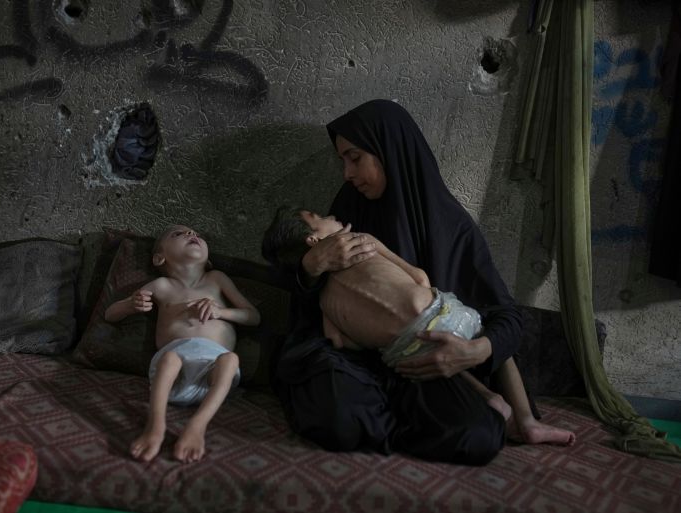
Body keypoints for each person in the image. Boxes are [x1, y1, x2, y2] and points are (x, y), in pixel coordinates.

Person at [267, 99, 568, 466]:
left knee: (478, 434)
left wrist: (478, 351)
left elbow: (504, 314)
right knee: (339, 415)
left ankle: (389, 426)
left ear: (389, 151)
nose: (346, 173)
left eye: (355, 158)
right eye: (343, 161)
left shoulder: (452, 227)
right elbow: (305, 290)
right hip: (359, 359)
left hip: (423, 362)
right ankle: (390, 425)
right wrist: (310, 267)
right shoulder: (348, 209)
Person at [263, 206, 576, 444]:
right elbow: (420, 277)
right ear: (314, 240)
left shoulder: (323, 301)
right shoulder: (365, 241)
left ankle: (489, 398)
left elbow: (341, 341)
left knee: (439, 359)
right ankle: (526, 418)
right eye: (320, 217)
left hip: (403, 351)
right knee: (491, 330)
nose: (332, 214)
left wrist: (375, 335)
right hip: (443, 314)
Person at [105, 225, 260, 463]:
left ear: (208, 260)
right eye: (179, 234)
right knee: (169, 359)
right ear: (159, 257)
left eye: (197, 234)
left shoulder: (216, 279)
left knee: (231, 360)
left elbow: (253, 316)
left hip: (212, 377)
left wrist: (221, 312)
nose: (191, 234)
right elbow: (110, 314)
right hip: (172, 378)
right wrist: (129, 305)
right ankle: (155, 426)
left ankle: (197, 426)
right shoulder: (161, 286)